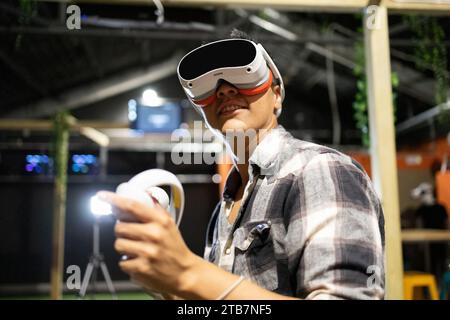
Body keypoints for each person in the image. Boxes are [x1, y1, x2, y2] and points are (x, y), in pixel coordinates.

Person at [97, 30, 385, 300]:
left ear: (276, 95)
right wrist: (167, 284)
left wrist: (188, 272)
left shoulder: (320, 170)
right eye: (211, 86)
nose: (223, 91)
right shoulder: (223, 209)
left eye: (243, 77)